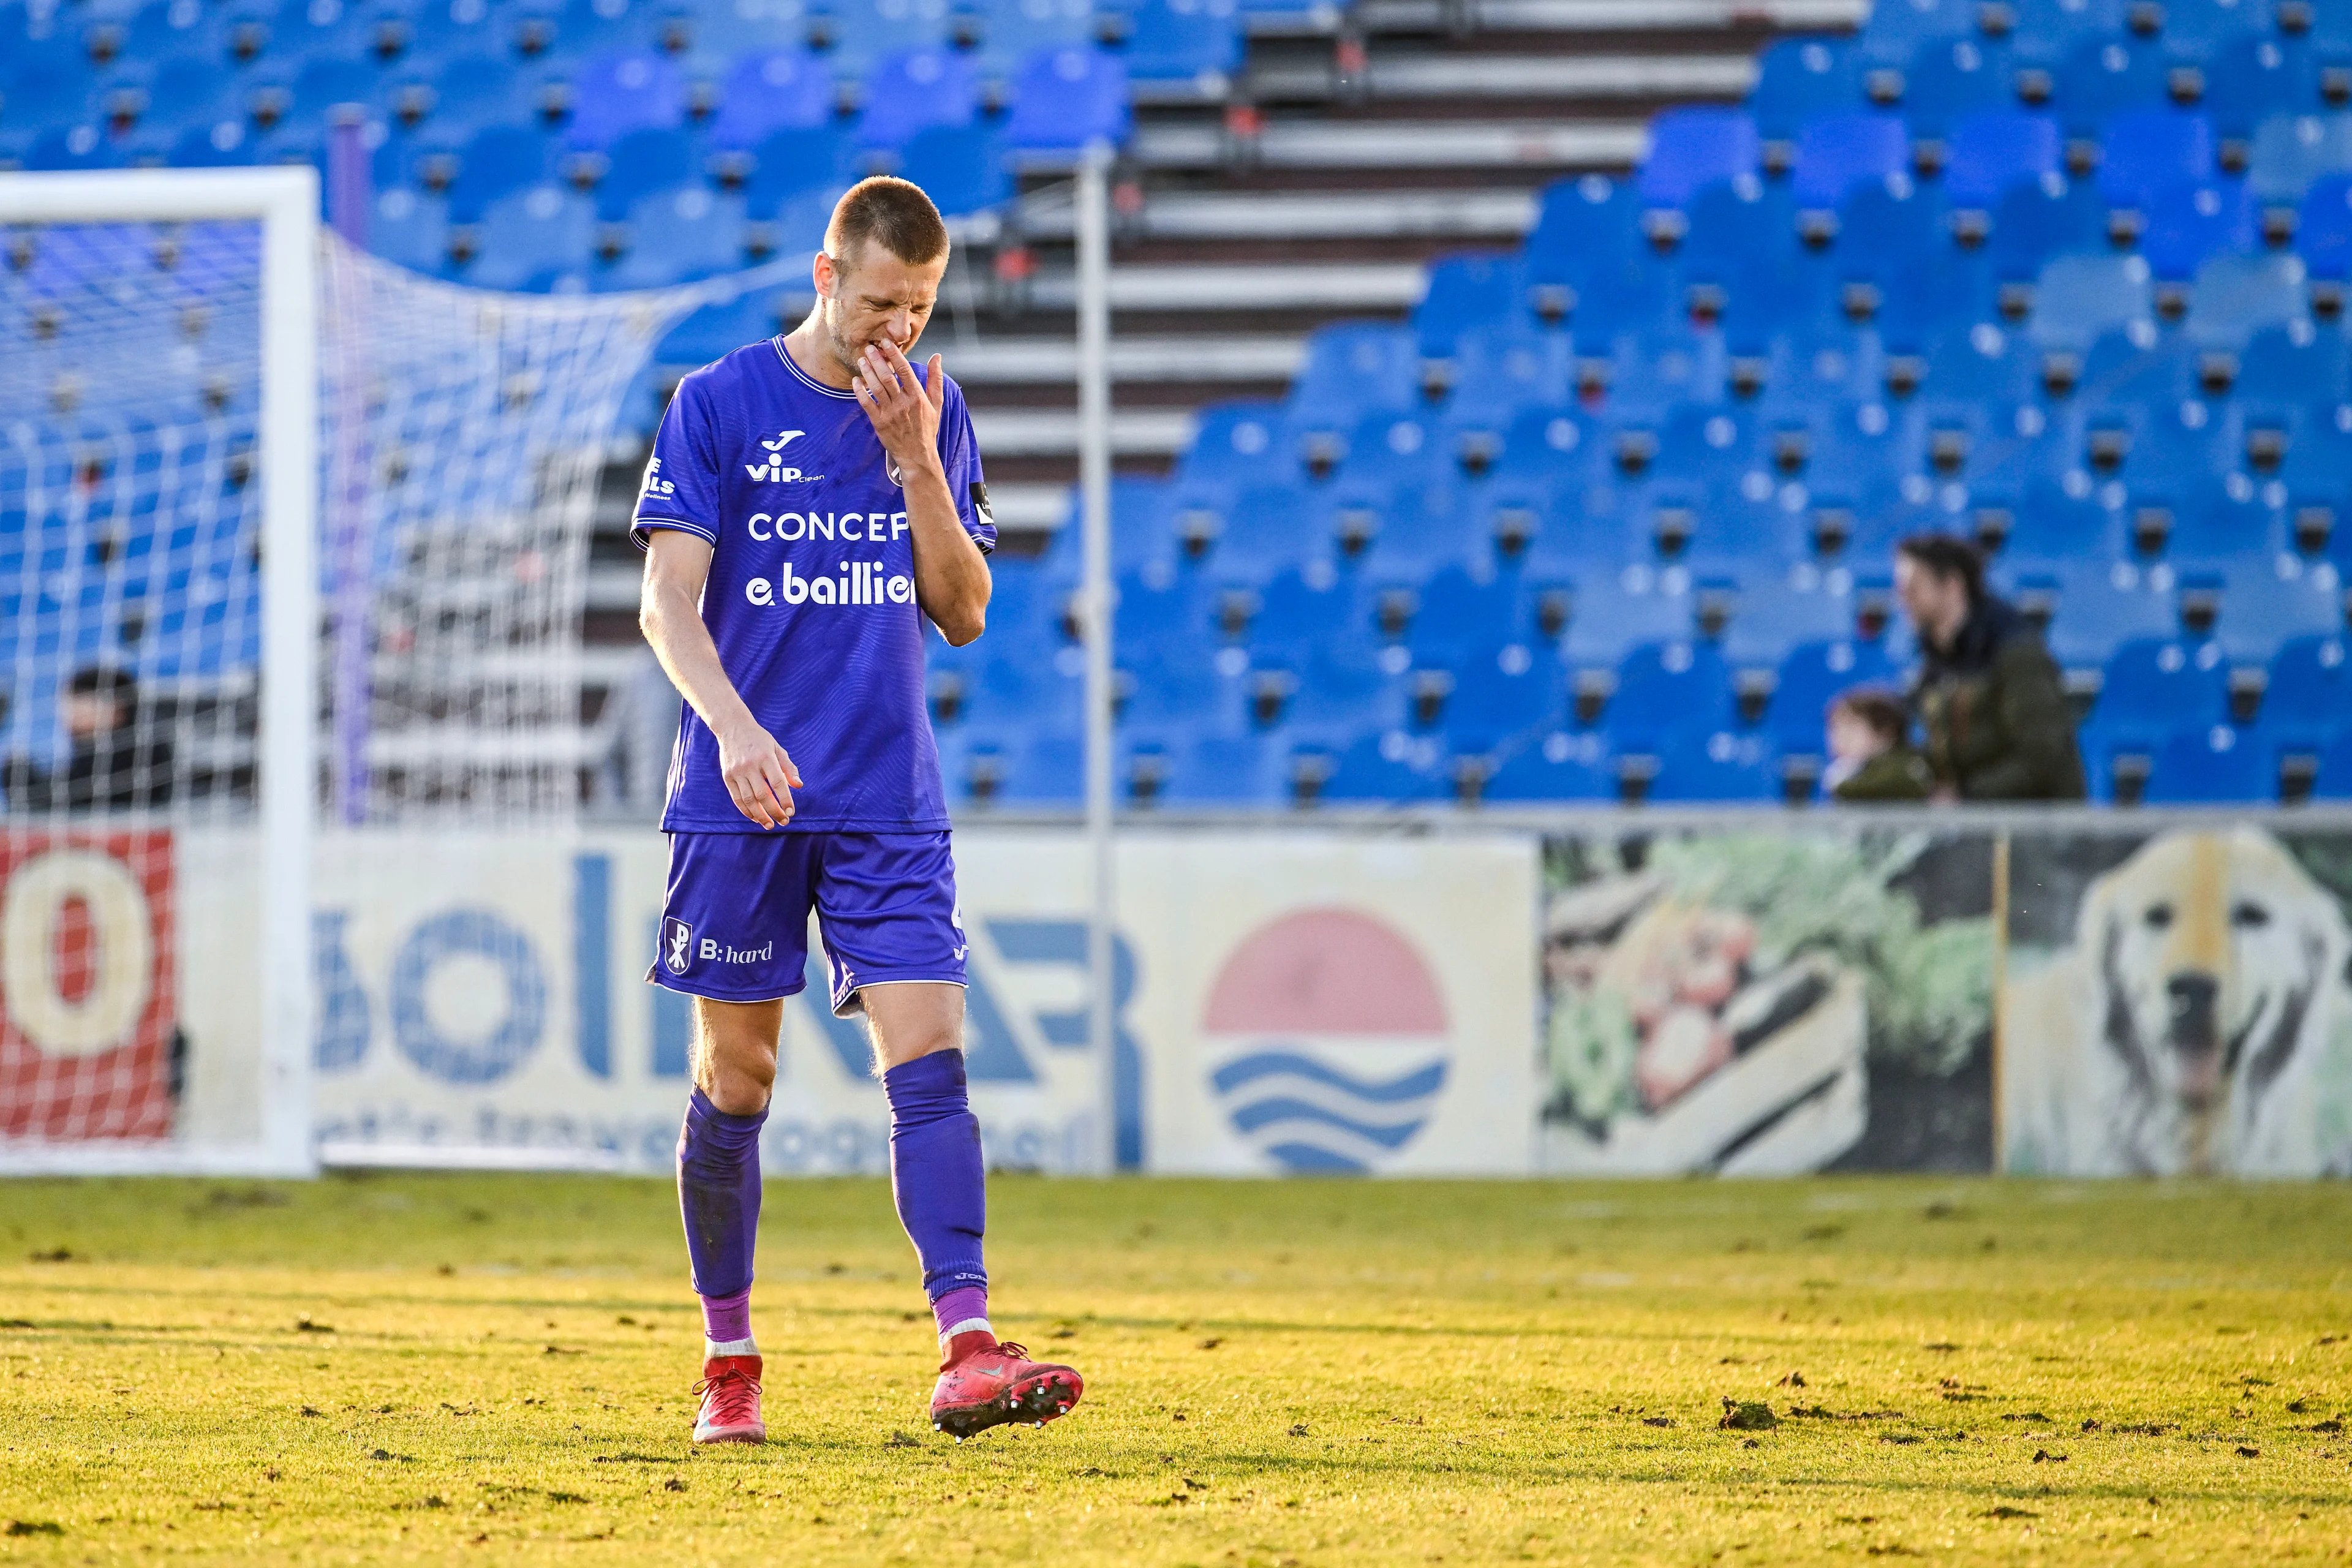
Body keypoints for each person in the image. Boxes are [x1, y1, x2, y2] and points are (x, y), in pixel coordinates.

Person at [632, 176, 1082, 1448]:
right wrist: (734, 729)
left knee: (929, 1055)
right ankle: (730, 1355)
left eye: (922, 311)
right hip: (743, 795)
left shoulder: (933, 413)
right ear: (828, 277)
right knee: (738, 1075)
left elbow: (965, 608)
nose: (901, 332)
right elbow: (669, 606)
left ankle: (969, 1344)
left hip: (887, 794)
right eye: (882, 303)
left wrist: (913, 463)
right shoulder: (717, 404)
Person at [1895, 532, 2086, 802]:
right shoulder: (1936, 660)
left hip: (2038, 826)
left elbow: (2043, 760)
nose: (1902, 599)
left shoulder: (2016, 652)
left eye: (1912, 587)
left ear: (1952, 584)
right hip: (1978, 822)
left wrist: (1964, 797)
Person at [1, 666, 174, 811]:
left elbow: (62, 800)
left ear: (115, 704)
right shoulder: (95, 753)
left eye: (76, 699)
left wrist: (18, 773)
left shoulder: (135, 752)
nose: (66, 711)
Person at [1822, 687, 1933, 802]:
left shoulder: (1907, 764)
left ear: (1886, 732)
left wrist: (1840, 783)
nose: (1841, 739)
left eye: (1851, 729)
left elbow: (1895, 784)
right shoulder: (1853, 769)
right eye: (1835, 729)